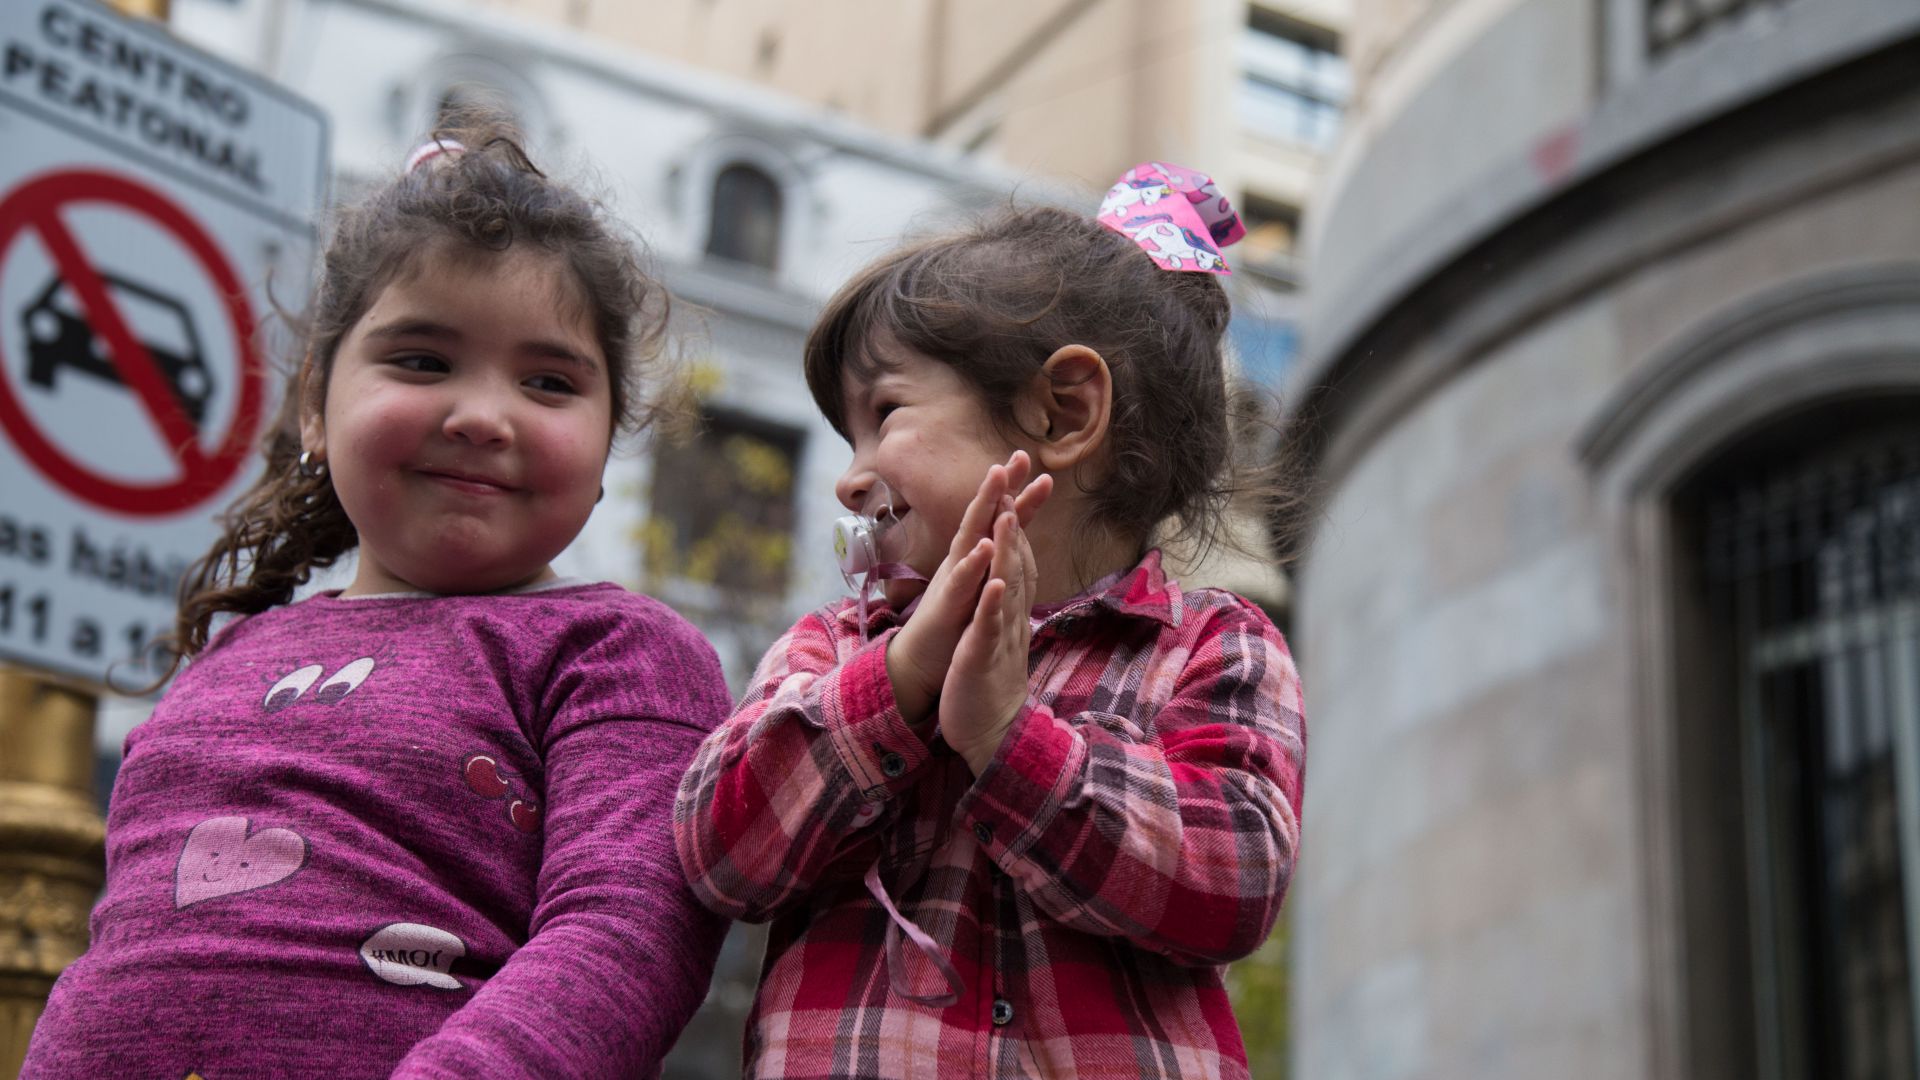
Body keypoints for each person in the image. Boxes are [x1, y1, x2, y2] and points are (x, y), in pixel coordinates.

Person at [23, 120, 730, 1079]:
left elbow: (626, 936)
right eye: (423, 361)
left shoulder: (617, 650)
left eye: (548, 381)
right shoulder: (227, 659)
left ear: (608, 442)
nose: (483, 416)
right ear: (316, 400)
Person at [675, 162, 1308, 1079]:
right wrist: (894, 689)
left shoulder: (1216, 645)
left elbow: (1236, 881)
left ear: (1063, 410)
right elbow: (717, 854)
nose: (850, 477)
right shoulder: (836, 648)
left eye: (884, 414)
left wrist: (1014, 742)